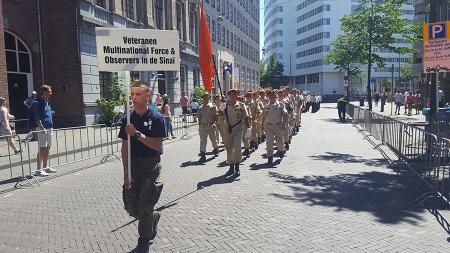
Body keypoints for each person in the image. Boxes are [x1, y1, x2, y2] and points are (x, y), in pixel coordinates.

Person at [119, 80, 165, 252]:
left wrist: (138, 135)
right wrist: (125, 171)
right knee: (131, 205)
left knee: (145, 204)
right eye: (132, 94)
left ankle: (144, 239)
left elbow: (156, 145)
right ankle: (152, 218)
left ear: (148, 96)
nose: (134, 97)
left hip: (150, 165)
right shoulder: (127, 119)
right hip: (133, 165)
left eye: (138, 94)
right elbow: (124, 146)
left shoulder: (157, 118)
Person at [222, 89, 250, 177]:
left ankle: (237, 167)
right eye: (231, 94)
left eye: (235, 94)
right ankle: (231, 167)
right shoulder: (225, 105)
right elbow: (219, 114)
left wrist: (249, 128)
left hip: (238, 129)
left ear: (237, 95)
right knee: (229, 149)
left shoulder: (241, 105)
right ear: (228, 96)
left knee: (237, 148)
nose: (233, 96)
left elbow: (246, 117)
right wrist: (221, 107)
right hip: (228, 130)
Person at [33, 85, 57, 176]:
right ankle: (38, 170)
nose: (51, 93)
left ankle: (46, 167)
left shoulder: (47, 101)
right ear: (43, 92)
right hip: (42, 127)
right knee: (42, 148)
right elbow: (36, 116)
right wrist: (41, 126)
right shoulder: (36, 102)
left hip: (49, 126)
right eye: (49, 92)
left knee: (47, 147)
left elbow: (48, 112)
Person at [261, 89, 287, 165]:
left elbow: (285, 114)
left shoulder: (281, 105)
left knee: (279, 140)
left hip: (278, 125)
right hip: (268, 126)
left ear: (276, 97)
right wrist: (262, 127)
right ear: (268, 97)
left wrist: (284, 124)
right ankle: (270, 157)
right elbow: (263, 118)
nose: (272, 98)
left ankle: (281, 150)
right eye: (270, 96)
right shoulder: (266, 107)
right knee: (269, 142)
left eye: (273, 96)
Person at [197, 92, 219, 163]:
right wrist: (199, 126)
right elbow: (199, 118)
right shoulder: (200, 108)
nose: (205, 98)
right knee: (203, 141)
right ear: (203, 98)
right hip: (203, 126)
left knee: (213, 140)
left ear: (209, 98)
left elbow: (216, 116)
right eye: (204, 97)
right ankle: (203, 156)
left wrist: (214, 123)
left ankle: (216, 149)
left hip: (210, 125)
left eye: (207, 97)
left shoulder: (213, 106)